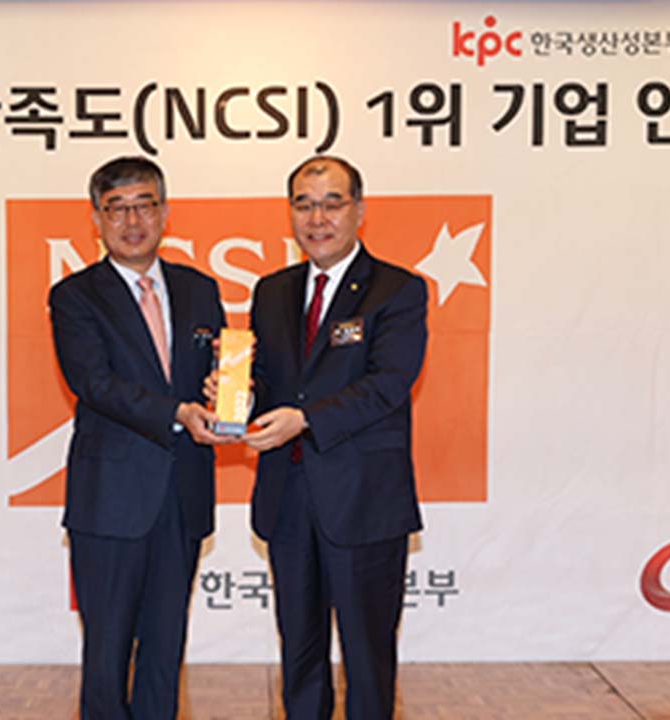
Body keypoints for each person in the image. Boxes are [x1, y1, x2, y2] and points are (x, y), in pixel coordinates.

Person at [244, 155, 429, 719]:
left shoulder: (396, 290)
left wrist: (305, 419)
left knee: (367, 658)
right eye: (304, 205)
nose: (317, 218)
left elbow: (388, 384)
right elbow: (268, 381)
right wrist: (238, 396)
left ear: (359, 210)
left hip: (364, 499)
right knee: (299, 652)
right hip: (288, 497)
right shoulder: (272, 291)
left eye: (332, 203)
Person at [49, 156, 229, 719]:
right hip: (110, 500)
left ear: (165, 212)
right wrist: (177, 411)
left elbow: (222, 367)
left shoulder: (199, 289)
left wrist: (228, 388)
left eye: (144, 206)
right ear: (96, 220)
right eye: (116, 209)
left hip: (183, 494)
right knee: (106, 655)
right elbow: (93, 383)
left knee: (164, 651)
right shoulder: (76, 296)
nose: (132, 222)